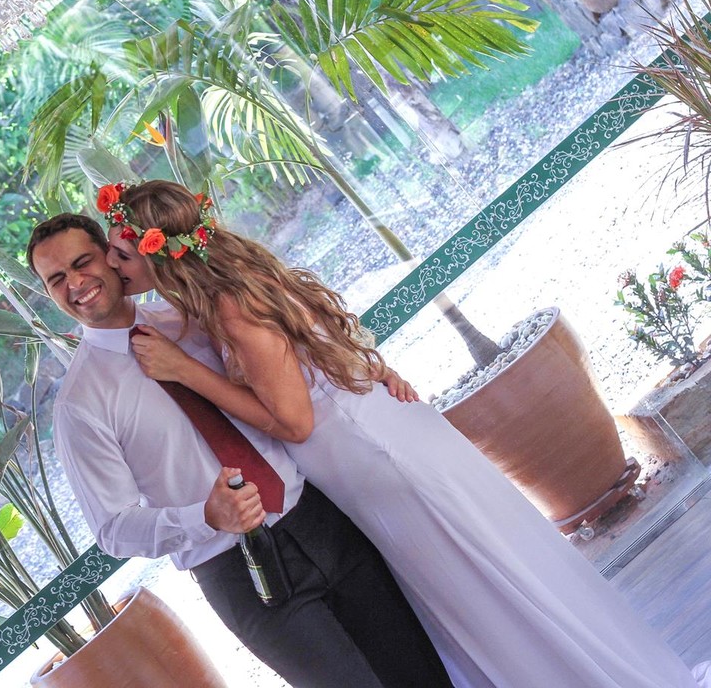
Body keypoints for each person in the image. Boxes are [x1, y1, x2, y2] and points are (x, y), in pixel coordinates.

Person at [101, 178, 711, 688]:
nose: (112, 268)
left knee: (487, 594)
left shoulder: (231, 304)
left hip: (377, 462)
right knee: (489, 585)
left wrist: (186, 375)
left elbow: (294, 420)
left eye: (121, 256)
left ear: (161, 254)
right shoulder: (227, 289)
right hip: (376, 441)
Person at [27, 212, 452, 687]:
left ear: (110, 257)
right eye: (57, 279)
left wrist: (367, 377)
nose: (75, 283)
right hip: (242, 576)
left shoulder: (192, 321)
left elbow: (295, 369)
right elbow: (113, 529)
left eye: (82, 262)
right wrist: (205, 516)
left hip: (320, 518)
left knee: (424, 672)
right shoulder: (79, 405)